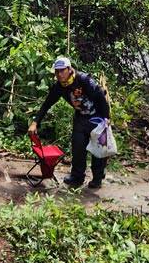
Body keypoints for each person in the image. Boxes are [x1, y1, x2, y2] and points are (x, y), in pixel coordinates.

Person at [28, 56, 110, 189]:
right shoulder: (59, 87)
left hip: (97, 118)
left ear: (69, 69)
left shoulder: (84, 80)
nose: (59, 74)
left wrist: (106, 119)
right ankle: (77, 177)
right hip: (80, 119)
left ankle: (97, 178)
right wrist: (35, 122)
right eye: (57, 71)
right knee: (78, 148)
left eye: (62, 70)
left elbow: (101, 97)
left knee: (98, 151)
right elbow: (47, 104)